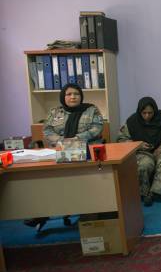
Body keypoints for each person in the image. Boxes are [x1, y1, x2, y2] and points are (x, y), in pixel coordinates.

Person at [24, 83, 104, 231]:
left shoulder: (91, 109)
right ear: (63, 96)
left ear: (81, 96)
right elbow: (47, 131)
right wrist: (61, 141)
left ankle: (88, 211)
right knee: (48, 180)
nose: (73, 97)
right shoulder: (55, 112)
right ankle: (41, 212)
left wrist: (76, 138)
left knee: (82, 180)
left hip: (86, 152)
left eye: (76, 94)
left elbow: (97, 128)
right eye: (69, 94)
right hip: (61, 152)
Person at [117, 97, 161, 207]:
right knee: (144, 164)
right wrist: (138, 145)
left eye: (150, 113)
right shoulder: (132, 121)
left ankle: (154, 192)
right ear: (139, 112)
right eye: (144, 113)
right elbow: (121, 140)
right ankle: (144, 193)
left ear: (155, 111)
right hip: (143, 152)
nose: (147, 116)